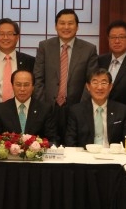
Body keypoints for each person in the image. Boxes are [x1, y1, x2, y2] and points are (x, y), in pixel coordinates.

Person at [33, 8, 98, 140]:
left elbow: (91, 82)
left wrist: (81, 108)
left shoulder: (89, 49)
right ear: (56, 26)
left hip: (76, 107)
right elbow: (38, 78)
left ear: (77, 27)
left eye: (70, 23)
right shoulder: (45, 46)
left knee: (73, 144)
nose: (66, 27)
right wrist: (42, 105)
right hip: (49, 107)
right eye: (62, 23)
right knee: (49, 144)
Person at [65, 68, 126, 147]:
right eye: (95, 82)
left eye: (104, 83)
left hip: (112, 153)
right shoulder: (76, 111)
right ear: (88, 86)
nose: (99, 87)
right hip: (85, 153)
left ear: (110, 87)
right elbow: (70, 143)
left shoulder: (122, 110)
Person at [0, 69, 57, 144]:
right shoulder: (0, 110)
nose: (22, 89)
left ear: (33, 87)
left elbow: (52, 140)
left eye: (26, 85)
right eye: (18, 85)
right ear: (12, 86)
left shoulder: (44, 109)